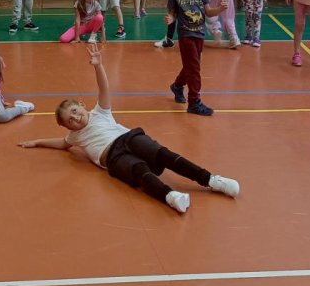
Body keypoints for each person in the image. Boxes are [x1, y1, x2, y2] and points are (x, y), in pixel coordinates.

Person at [18, 43, 240, 213]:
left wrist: (98, 65)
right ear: (67, 126)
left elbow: (103, 88)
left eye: (75, 111)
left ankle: (211, 180)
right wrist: (37, 142)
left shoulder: (100, 112)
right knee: (139, 171)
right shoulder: (74, 136)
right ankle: (170, 196)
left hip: (128, 138)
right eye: (70, 120)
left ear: (82, 105)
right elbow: (62, 143)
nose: (75, 118)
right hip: (112, 157)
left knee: (163, 155)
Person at [164, 0, 227, 116]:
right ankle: (194, 102)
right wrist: (170, 19)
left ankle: (177, 86)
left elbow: (209, 11)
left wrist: (220, 9)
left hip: (200, 34)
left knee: (190, 66)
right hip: (186, 35)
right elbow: (172, 14)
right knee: (194, 68)